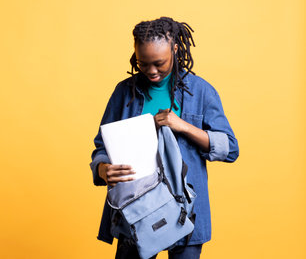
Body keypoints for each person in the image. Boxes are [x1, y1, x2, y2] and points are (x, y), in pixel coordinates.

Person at [89, 17, 239, 259]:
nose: (151, 71)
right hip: (135, 211)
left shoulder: (200, 91)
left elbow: (230, 149)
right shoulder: (123, 92)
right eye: (143, 63)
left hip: (185, 212)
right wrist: (103, 168)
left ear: (175, 49)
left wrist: (184, 127)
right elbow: (101, 147)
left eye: (159, 63)